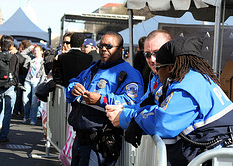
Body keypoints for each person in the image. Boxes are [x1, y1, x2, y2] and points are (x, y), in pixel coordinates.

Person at [120, 37, 233, 166]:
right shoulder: (198, 78)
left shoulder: (187, 88)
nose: (157, 74)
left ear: (170, 68)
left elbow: (163, 123)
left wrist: (137, 119)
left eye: (158, 68)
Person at [66, 31, 144, 166]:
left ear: (120, 50)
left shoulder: (129, 74)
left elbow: (131, 102)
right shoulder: (94, 67)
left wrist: (102, 100)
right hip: (80, 138)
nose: (103, 49)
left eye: (108, 46)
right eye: (101, 46)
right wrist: (73, 88)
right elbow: (74, 82)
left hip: (100, 141)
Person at [105, 30, 172, 129]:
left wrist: (125, 117)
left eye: (157, 53)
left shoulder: (180, 77)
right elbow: (142, 105)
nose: (152, 59)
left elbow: (165, 120)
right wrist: (123, 109)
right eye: (147, 55)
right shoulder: (154, 78)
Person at [0, 35, 19, 142]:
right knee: (8, 112)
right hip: (9, 86)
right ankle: (3, 136)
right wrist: (14, 83)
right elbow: (16, 72)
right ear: (11, 45)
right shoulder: (14, 57)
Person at [22, 45, 46, 125]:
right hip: (27, 80)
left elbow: (44, 74)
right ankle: (26, 115)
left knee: (34, 102)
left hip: (36, 82)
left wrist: (41, 84)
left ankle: (33, 118)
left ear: (41, 52)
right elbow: (22, 54)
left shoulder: (43, 61)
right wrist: (29, 48)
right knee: (24, 100)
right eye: (35, 50)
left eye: (38, 50)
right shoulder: (31, 58)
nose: (36, 52)